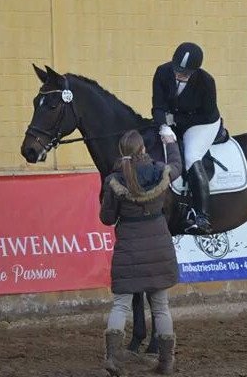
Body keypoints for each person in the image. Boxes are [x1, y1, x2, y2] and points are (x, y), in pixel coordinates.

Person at [99, 128, 182, 376]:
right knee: (161, 307)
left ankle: (112, 357)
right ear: (143, 149)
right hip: (158, 247)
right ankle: (166, 362)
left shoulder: (114, 180)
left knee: (121, 305)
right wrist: (171, 142)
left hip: (129, 250)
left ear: (121, 152)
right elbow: (177, 165)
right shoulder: (160, 171)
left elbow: (107, 218)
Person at [151, 42, 221, 234]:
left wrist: (174, 120)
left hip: (202, 123)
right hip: (172, 121)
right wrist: (163, 126)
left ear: (195, 71)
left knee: (191, 156)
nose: (179, 75)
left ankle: (202, 216)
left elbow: (205, 115)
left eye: (184, 73)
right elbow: (158, 106)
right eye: (177, 70)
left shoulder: (207, 82)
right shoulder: (163, 72)